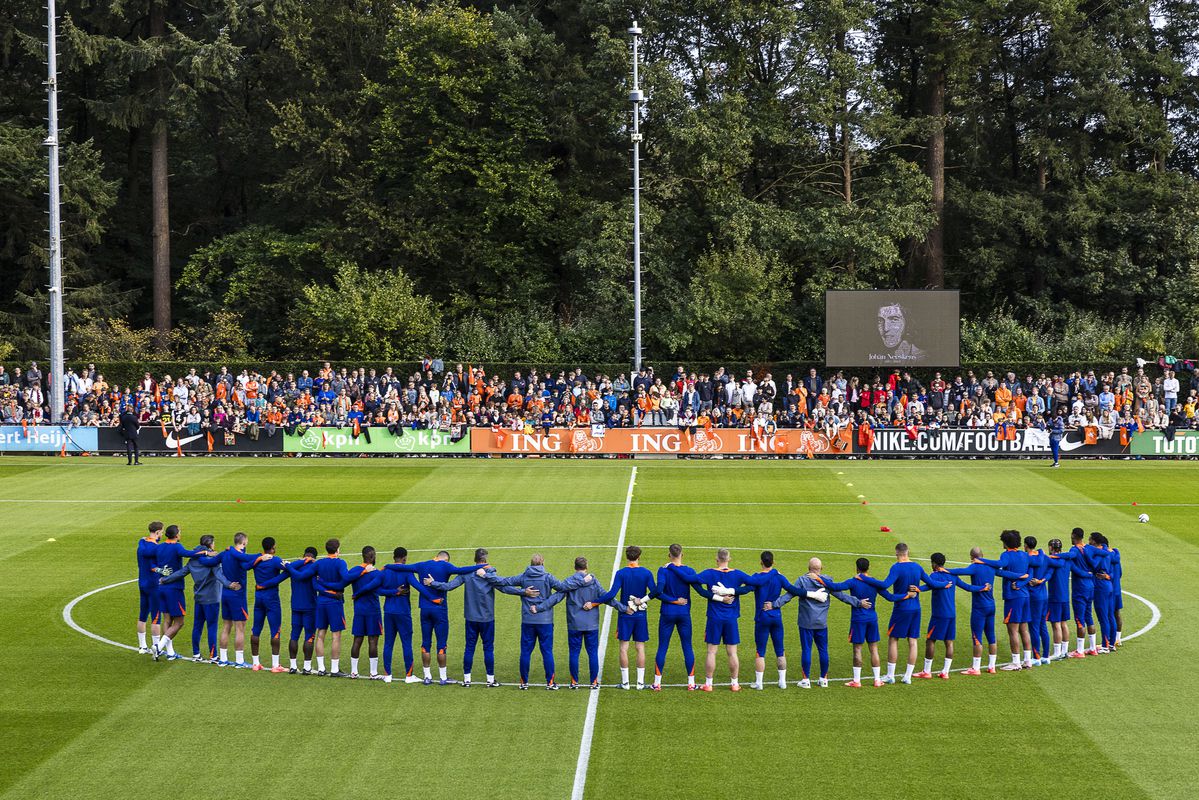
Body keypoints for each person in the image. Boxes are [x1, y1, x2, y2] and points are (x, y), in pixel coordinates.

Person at [427, 547, 535, 687]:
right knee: (488, 648)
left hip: (471, 618)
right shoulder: (489, 573)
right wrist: (523, 592)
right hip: (487, 618)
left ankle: (467, 680)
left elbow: (448, 586)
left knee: (469, 648)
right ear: (484, 559)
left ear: (475, 559)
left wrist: (432, 583)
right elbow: (504, 588)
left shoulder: (466, 572)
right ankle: (490, 680)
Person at [484, 554, 578, 689]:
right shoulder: (548, 577)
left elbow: (504, 582)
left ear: (531, 564)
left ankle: (524, 683)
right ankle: (550, 683)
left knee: (526, 652)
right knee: (547, 652)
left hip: (528, 620)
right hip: (545, 621)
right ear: (543, 563)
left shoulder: (524, 577)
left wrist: (488, 575)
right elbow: (563, 589)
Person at [384, 551, 478, 685]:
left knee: (426, 643)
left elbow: (401, 567)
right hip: (440, 609)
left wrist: (387, 566)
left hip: (424, 610)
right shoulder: (446, 566)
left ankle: (427, 677)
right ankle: (443, 678)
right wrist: (481, 566)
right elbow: (461, 570)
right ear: (445, 559)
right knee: (441, 645)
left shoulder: (422, 565)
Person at [669, 548, 754, 692]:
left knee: (711, 652)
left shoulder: (709, 573)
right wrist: (733, 591)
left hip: (714, 617)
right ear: (729, 559)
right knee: (732, 652)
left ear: (717, 559)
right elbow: (752, 585)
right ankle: (734, 683)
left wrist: (672, 566)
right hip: (731, 618)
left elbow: (689, 579)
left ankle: (708, 684)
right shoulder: (738, 574)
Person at [853, 542, 929, 684]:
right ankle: (907, 676)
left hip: (901, 608)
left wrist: (863, 578)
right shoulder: (917, 566)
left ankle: (890, 675)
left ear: (896, 553)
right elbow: (931, 583)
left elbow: (884, 585)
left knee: (893, 639)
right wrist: (919, 589)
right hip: (916, 608)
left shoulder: (897, 567)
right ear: (908, 552)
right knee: (913, 641)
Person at [158, 534, 238, 662]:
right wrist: (229, 584)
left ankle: (196, 654)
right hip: (212, 598)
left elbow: (181, 573)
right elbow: (219, 575)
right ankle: (213, 656)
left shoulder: (193, 560)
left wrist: (165, 579)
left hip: (199, 597)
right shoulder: (212, 559)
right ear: (210, 544)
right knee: (212, 627)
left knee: (197, 626)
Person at [528, 556, 603, 689]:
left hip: (574, 624)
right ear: (587, 566)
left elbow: (555, 598)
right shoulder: (594, 581)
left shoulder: (569, 582)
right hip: (591, 624)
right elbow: (606, 597)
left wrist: (538, 608)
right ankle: (594, 682)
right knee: (592, 653)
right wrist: (623, 608)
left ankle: (574, 682)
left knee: (574, 652)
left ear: (575, 567)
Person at [915, 553, 988, 679]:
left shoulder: (934, 575)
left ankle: (927, 671)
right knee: (949, 642)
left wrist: (918, 589)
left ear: (934, 563)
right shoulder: (952, 575)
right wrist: (983, 588)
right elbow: (968, 587)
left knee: (930, 640)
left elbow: (929, 585)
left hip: (939, 614)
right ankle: (945, 672)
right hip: (951, 614)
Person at [594, 545, 657, 690]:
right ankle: (640, 683)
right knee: (640, 647)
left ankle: (626, 683)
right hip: (641, 615)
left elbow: (611, 594)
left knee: (623, 648)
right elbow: (654, 592)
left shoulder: (621, 573)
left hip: (625, 615)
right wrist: (642, 600)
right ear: (639, 557)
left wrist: (595, 602)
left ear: (626, 557)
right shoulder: (646, 573)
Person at [375, 547, 438, 684]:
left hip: (389, 612)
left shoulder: (385, 571)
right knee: (406, 644)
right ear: (404, 558)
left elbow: (377, 590)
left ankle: (388, 675)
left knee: (388, 643)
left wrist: (393, 592)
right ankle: (409, 676)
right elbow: (419, 587)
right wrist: (433, 598)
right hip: (403, 612)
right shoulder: (406, 572)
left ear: (394, 557)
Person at [973, 530, 1033, 670]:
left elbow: (999, 563)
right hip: (1025, 596)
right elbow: (1029, 574)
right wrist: (1020, 581)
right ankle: (1028, 660)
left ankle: (1016, 662)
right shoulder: (1024, 555)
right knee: (1024, 629)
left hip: (1013, 597)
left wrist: (982, 560)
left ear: (1005, 543)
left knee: (1013, 630)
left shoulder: (1006, 555)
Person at [151, 525, 211, 660]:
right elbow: (189, 553)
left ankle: (170, 653)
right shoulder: (177, 546)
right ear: (176, 535)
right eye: (180, 532)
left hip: (161, 586)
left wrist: (161, 572)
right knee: (179, 622)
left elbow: (153, 565)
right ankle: (159, 647)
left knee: (167, 619)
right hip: (174, 588)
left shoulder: (159, 546)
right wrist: (206, 552)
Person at [741, 551, 797, 690]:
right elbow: (792, 590)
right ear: (773, 562)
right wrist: (778, 603)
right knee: (780, 649)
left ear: (761, 562)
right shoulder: (779, 577)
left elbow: (746, 589)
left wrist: (729, 592)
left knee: (760, 650)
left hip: (762, 617)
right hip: (776, 616)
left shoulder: (757, 577)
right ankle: (782, 681)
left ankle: (759, 683)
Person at [652, 544, 701, 691]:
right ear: (682, 554)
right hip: (684, 613)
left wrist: (673, 600)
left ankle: (657, 683)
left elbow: (659, 592)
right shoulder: (689, 571)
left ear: (669, 555)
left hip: (667, 613)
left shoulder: (663, 570)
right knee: (687, 646)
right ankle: (691, 683)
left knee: (662, 647)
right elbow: (700, 590)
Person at [946, 548, 1000, 674]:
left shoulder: (974, 567)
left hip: (979, 608)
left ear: (972, 557)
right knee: (991, 636)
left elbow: (961, 571)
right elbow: (1007, 574)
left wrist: (946, 570)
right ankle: (992, 666)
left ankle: (976, 668)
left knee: (977, 636)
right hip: (991, 605)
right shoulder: (991, 567)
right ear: (983, 555)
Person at [217, 532, 261, 668]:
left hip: (225, 593)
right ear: (245, 541)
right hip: (237, 596)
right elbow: (247, 560)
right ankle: (239, 661)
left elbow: (211, 563)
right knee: (240, 628)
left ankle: (223, 659)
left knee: (226, 627)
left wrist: (205, 554)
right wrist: (260, 556)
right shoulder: (240, 557)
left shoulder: (225, 554)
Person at [1052, 528, 1098, 657]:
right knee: (1089, 617)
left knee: (1080, 619)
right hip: (1090, 586)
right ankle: (1093, 648)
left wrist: (1055, 555)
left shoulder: (1074, 550)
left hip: (1080, 588)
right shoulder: (1088, 548)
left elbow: (1070, 557)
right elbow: (1102, 553)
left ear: (1074, 536)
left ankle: (1079, 650)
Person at [313, 537, 355, 677]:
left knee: (320, 634)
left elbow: (313, 582)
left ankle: (320, 669)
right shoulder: (340, 563)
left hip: (321, 602)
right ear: (337, 549)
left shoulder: (319, 563)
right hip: (334, 603)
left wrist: (324, 587)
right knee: (336, 636)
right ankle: (334, 669)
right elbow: (346, 578)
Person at [249, 537, 290, 673]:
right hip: (271, 598)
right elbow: (288, 570)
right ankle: (275, 665)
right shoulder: (275, 560)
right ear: (273, 547)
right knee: (275, 629)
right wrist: (275, 581)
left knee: (256, 629)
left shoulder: (257, 559)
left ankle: (255, 663)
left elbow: (245, 564)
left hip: (258, 597)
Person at [348, 546, 383, 679]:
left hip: (359, 611)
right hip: (373, 611)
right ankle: (373, 673)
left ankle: (354, 671)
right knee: (373, 641)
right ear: (373, 557)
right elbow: (381, 590)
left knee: (357, 640)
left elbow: (345, 580)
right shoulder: (376, 573)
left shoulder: (355, 571)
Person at [283, 547, 320, 674]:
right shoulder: (314, 568)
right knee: (309, 636)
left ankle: (293, 666)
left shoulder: (294, 567)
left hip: (295, 606)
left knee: (294, 635)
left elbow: (287, 568)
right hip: (310, 606)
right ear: (314, 557)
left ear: (303, 555)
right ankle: (307, 667)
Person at [135, 521, 164, 653]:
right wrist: (165, 572)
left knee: (142, 615)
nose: (162, 534)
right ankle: (156, 647)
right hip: (153, 584)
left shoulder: (141, 544)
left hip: (142, 582)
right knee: (156, 617)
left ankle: (142, 646)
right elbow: (155, 568)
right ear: (157, 532)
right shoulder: (156, 549)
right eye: (161, 532)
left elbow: (142, 542)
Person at [1023, 536, 1052, 665]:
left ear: (1025, 545)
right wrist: (1042, 580)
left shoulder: (1027, 558)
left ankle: (1037, 657)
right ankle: (1046, 656)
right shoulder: (1044, 556)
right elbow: (1051, 570)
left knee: (1033, 626)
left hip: (1034, 596)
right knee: (1042, 625)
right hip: (1044, 595)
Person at [1044, 539, 1072, 660]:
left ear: (1051, 547)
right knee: (1064, 624)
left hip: (1055, 596)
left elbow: (1048, 575)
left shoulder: (1052, 561)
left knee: (1056, 624)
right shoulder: (1067, 560)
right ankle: (1064, 651)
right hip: (1065, 596)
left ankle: (1057, 653)